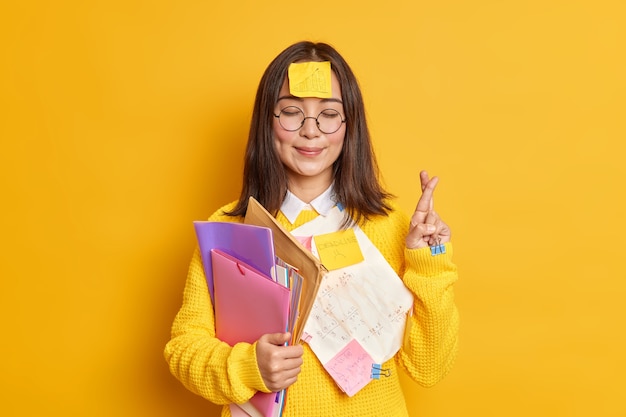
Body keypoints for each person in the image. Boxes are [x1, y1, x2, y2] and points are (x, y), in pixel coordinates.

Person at [164, 41, 459, 417]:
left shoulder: (390, 226)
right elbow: (183, 349)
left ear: (349, 125)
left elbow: (429, 368)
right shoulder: (229, 228)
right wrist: (248, 365)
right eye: (290, 112)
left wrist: (428, 262)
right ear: (265, 123)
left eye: (329, 114)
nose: (310, 131)